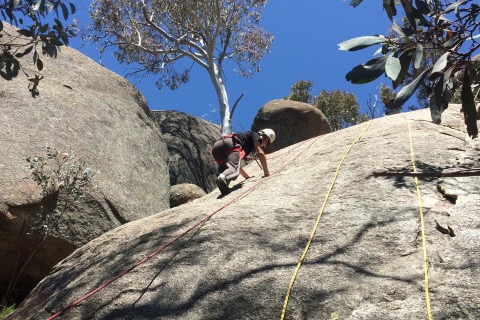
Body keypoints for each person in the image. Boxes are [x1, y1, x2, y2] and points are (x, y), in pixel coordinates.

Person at [211, 129, 276, 195]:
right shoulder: (256, 135)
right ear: (263, 135)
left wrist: (247, 177)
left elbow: (237, 166)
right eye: (266, 141)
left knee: (227, 170)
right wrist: (266, 173)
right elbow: (260, 152)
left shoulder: (247, 140)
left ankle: (223, 181)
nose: (264, 144)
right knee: (233, 171)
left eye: (267, 143)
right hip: (231, 143)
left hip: (217, 147)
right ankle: (222, 176)